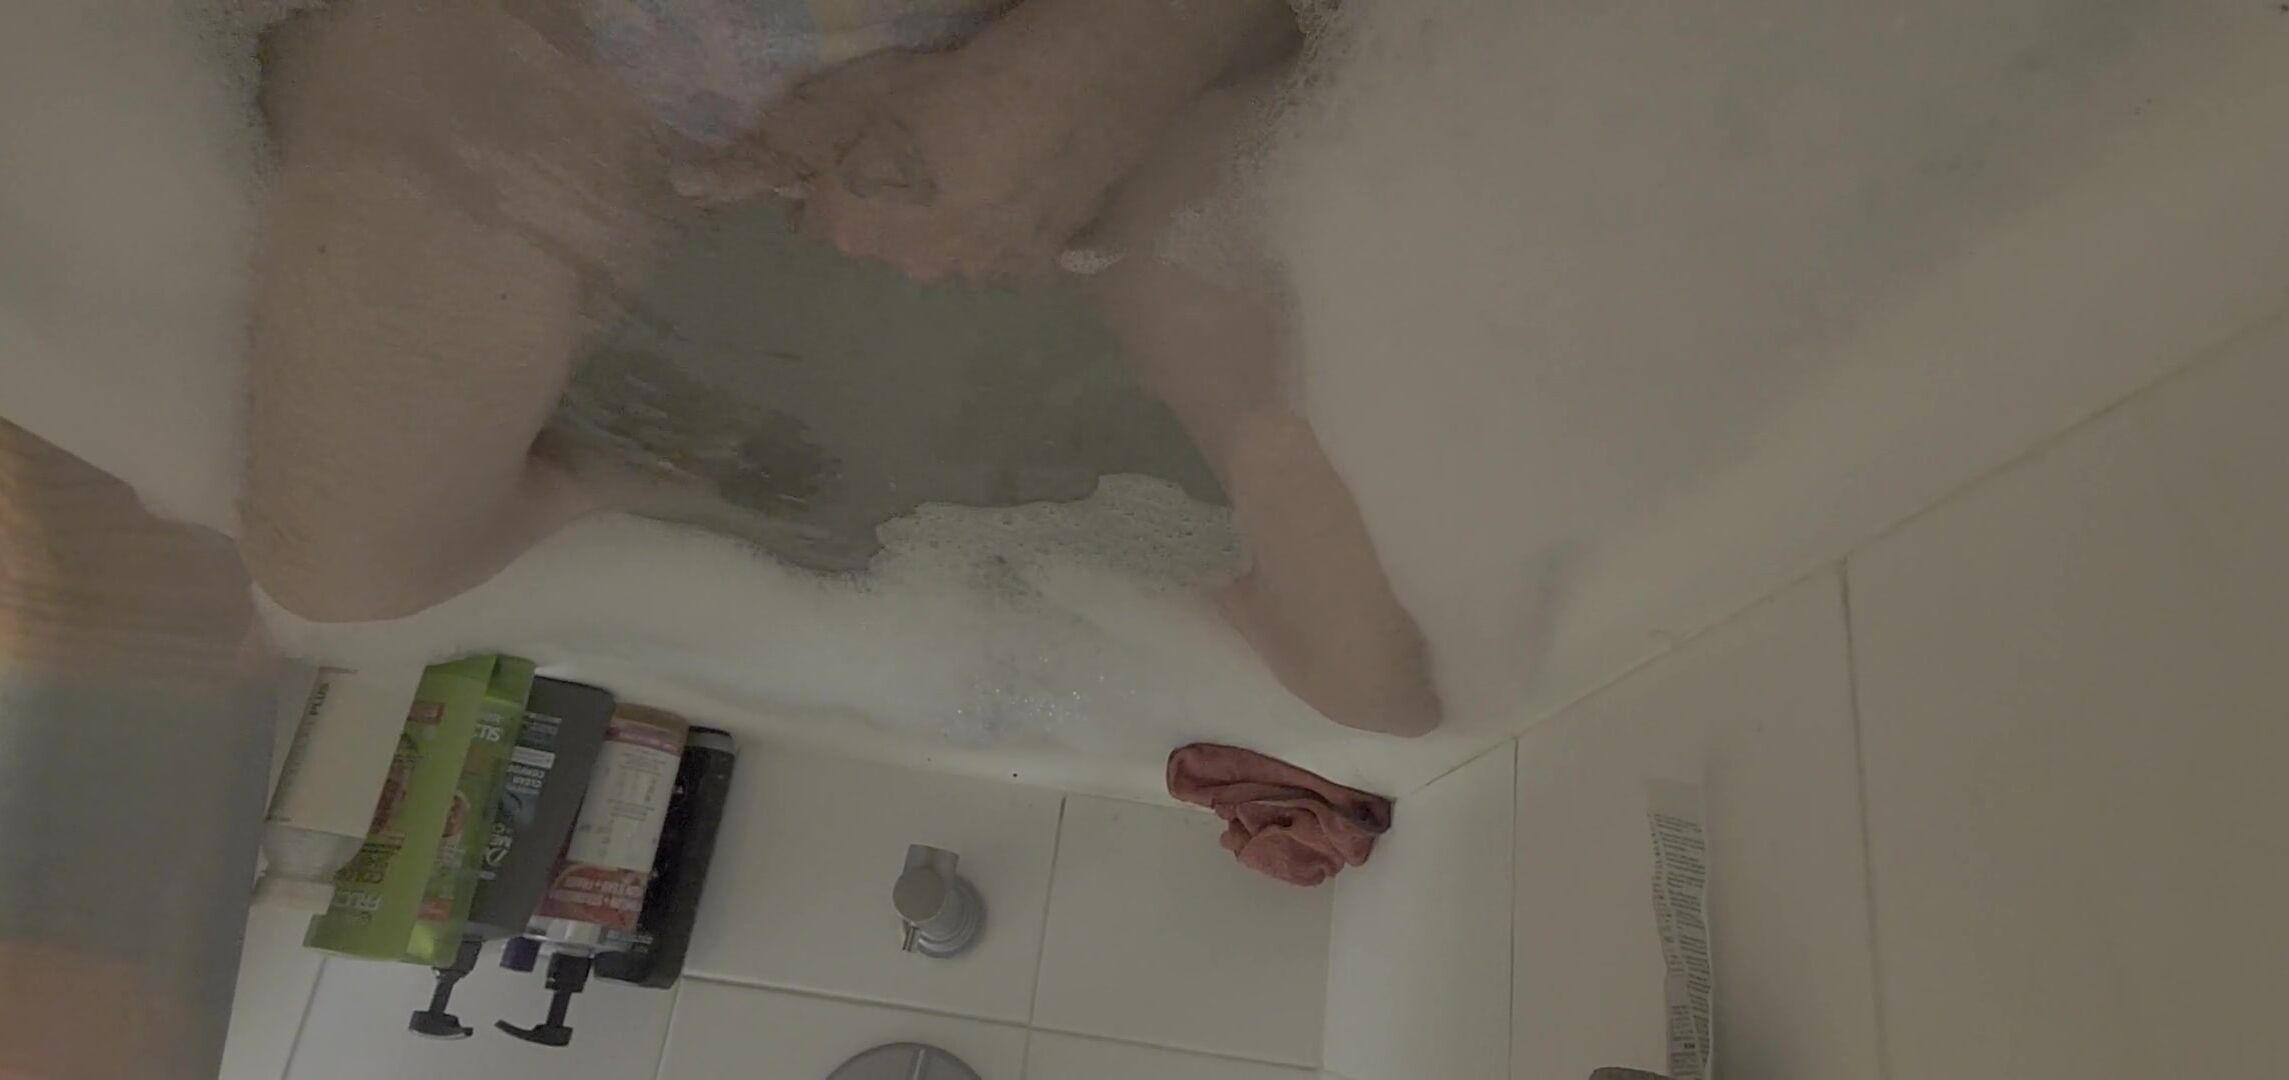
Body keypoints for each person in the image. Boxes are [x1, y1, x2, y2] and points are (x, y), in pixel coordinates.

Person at [243, 0, 1440, 736]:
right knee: (344, 563)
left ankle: (609, 468)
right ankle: (614, 474)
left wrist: (1105, 53)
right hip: (565, 38)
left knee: (1371, 673)